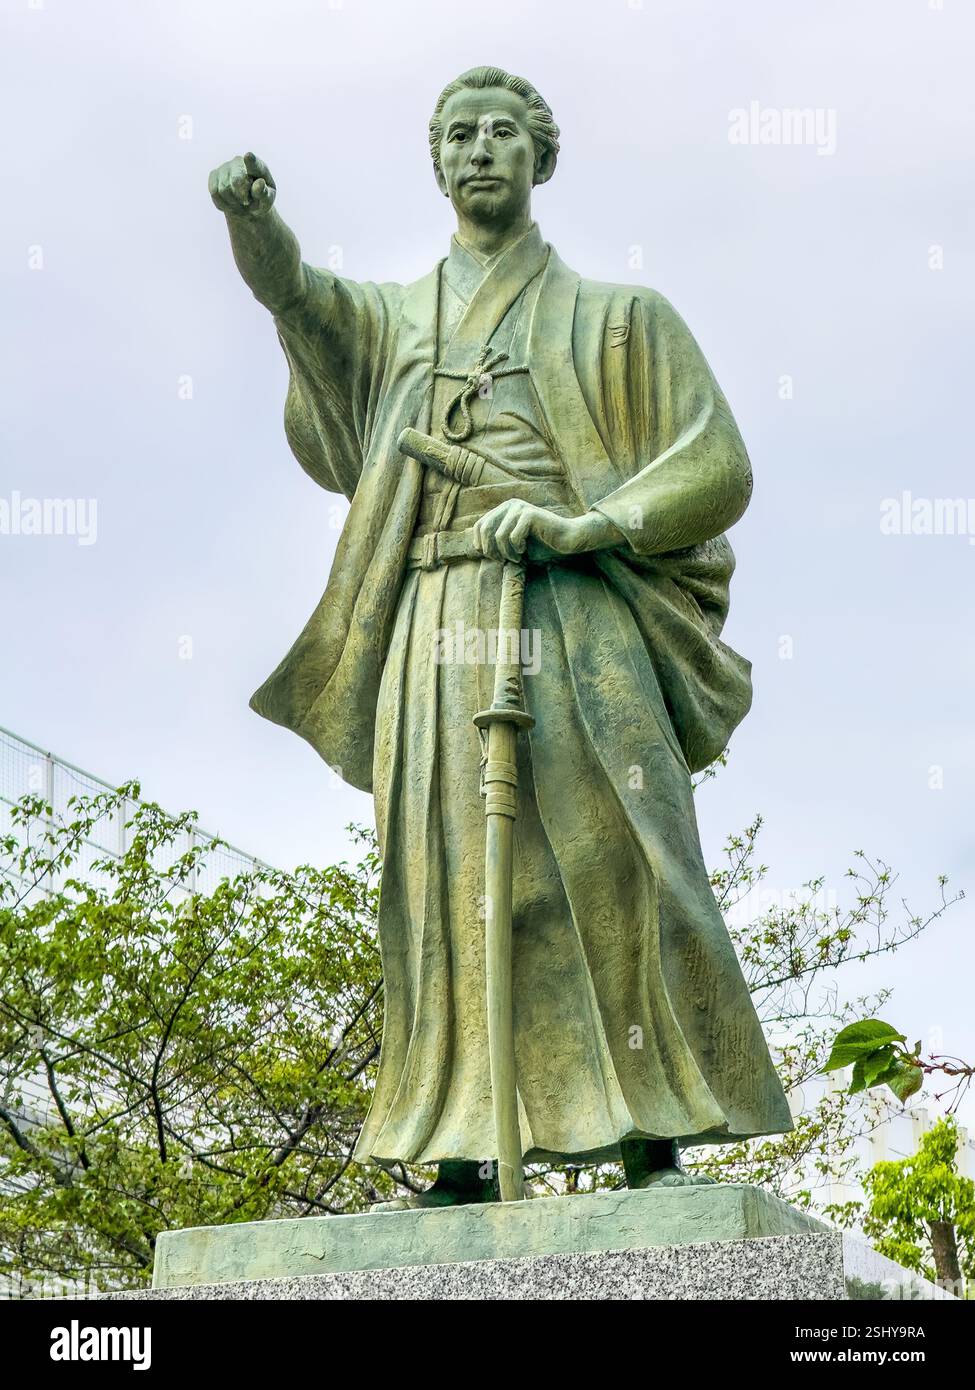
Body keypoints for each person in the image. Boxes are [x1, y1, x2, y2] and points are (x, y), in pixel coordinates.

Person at [209, 65, 793, 1208]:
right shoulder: (398, 321)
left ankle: (653, 1135)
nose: (481, 150)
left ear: (542, 157)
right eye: (460, 135)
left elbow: (716, 464)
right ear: (438, 163)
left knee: (620, 851)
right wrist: (252, 220)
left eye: (504, 134)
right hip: (438, 617)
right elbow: (302, 303)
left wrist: (592, 523)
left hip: (576, 605)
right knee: (448, 876)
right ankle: (464, 1143)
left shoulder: (623, 319)